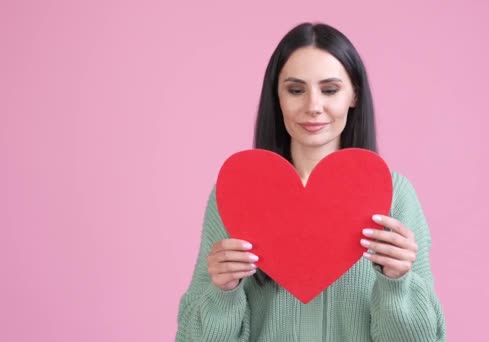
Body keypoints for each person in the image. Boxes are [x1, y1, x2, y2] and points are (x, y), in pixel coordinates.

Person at [176, 22, 446, 342]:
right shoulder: (238, 194)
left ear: (354, 95)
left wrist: (398, 282)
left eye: (330, 90)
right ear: (277, 96)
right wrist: (222, 292)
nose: (313, 107)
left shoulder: (396, 196)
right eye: (295, 90)